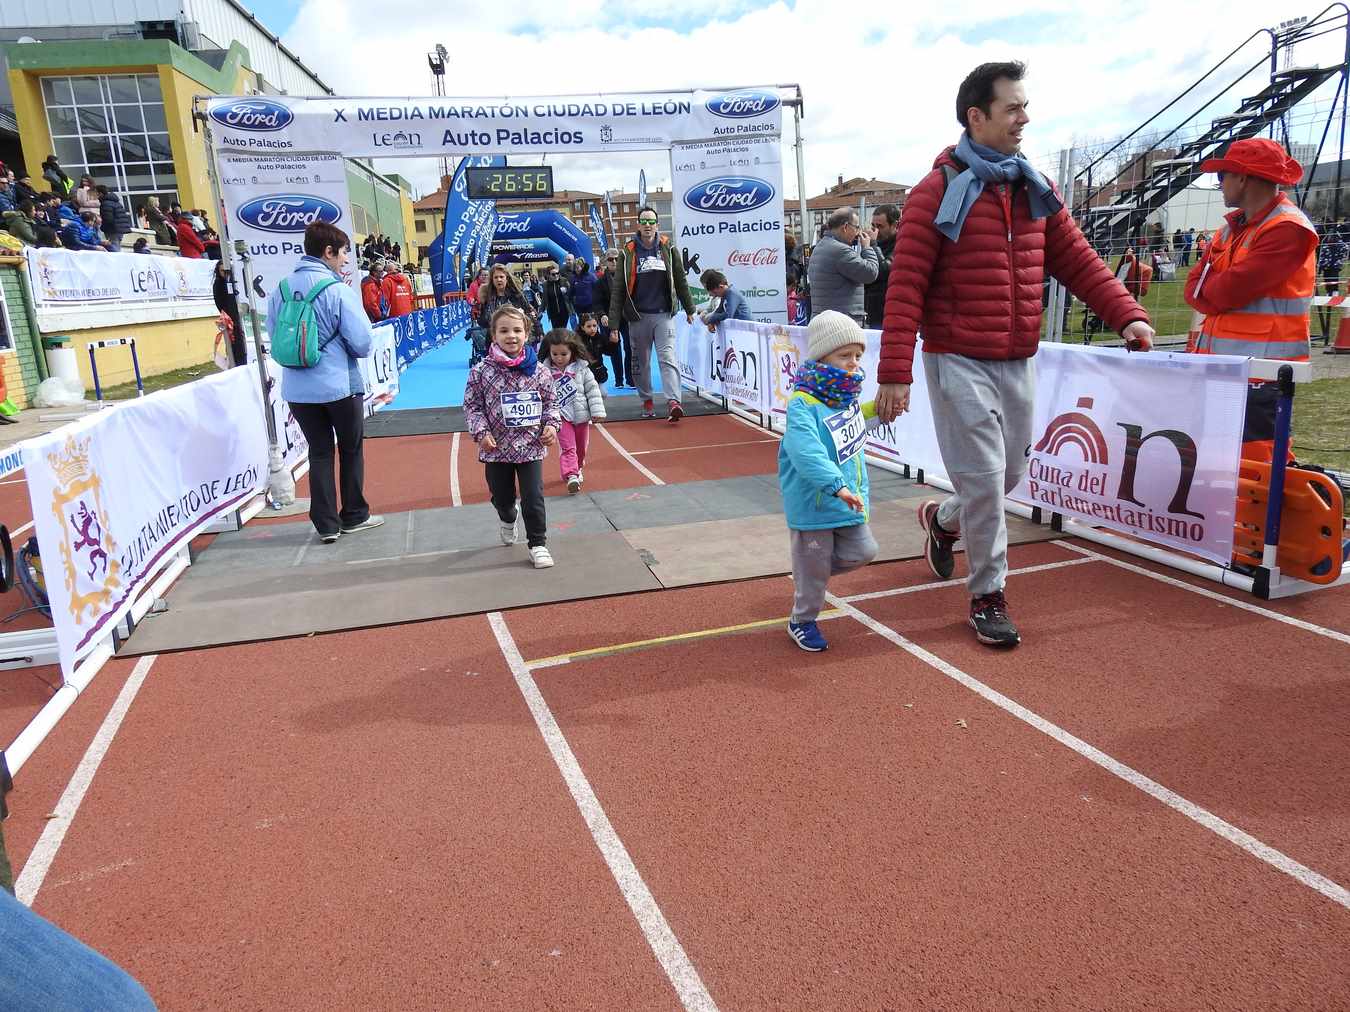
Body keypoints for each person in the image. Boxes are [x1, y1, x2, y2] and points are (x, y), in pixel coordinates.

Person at [877, 59, 1154, 648]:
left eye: (1025, 106)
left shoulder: (1035, 188)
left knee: (1008, 476)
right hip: (956, 356)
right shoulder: (936, 192)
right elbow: (906, 285)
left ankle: (943, 520)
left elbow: (1077, 260)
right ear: (976, 117)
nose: (1024, 118)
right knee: (983, 479)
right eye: (1012, 108)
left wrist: (1127, 314)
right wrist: (895, 372)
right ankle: (988, 595)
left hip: (1017, 357)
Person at [1182, 138, 1316, 461]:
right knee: (1218, 467)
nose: (1219, 185)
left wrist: (1211, 291)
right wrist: (1213, 292)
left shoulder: (1289, 229)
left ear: (1243, 178)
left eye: (1222, 176)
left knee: (1258, 474)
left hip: (1263, 376)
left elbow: (1227, 290)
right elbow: (1192, 288)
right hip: (1224, 371)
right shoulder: (1229, 230)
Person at [266, 221, 383, 544]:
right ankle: (354, 515)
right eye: (344, 252)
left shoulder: (282, 289)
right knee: (350, 449)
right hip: (339, 386)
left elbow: (274, 334)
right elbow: (362, 343)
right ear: (328, 251)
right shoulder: (337, 291)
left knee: (318, 452)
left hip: (299, 390)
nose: (346, 260)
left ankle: (326, 524)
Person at [779, 311, 880, 652]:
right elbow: (806, 452)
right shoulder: (802, 404)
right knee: (815, 567)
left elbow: (852, 424)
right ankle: (802, 620)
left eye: (857, 356)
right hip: (816, 503)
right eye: (844, 356)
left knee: (864, 551)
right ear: (822, 356)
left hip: (847, 498)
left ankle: (810, 574)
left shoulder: (846, 397)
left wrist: (880, 409)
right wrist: (837, 486)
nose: (853, 363)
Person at [462, 304, 560, 569]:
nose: (511, 336)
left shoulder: (540, 371)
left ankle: (538, 544)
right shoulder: (480, 372)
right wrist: (481, 431)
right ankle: (507, 517)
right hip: (496, 449)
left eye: (517, 330)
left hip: (531, 446)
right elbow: (472, 407)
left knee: (533, 496)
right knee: (502, 497)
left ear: (526, 334)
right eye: (504, 330)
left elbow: (552, 403)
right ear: (493, 335)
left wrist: (551, 426)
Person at [608, 205, 696, 422]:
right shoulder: (627, 252)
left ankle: (673, 401)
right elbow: (619, 289)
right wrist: (613, 325)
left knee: (668, 358)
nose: (647, 226)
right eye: (643, 222)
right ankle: (647, 399)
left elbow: (680, 280)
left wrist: (690, 308)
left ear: (657, 225)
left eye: (651, 222)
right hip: (638, 317)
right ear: (638, 225)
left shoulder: (668, 248)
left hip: (663, 315)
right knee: (641, 362)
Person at [543, 327, 606, 493]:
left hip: (581, 416)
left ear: (572, 352)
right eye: (554, 354)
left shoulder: (582, 369)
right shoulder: (544, 372)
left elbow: (592, 390)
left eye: (563, 354)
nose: (558, 358)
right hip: (561, 416)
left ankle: (577, 467)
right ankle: (571, 474)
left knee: (581, 449)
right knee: (568, 447)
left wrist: (597, 411)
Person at [807, 207, 880, 323]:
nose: (857, 233)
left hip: (825, 320)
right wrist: (868, 247)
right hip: (842, 325)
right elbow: (871, 273)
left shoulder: (820, 247)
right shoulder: (841, 251)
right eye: (856, 227)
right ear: (845, 227)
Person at [864, 204, 900, 327]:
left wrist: (872, 245)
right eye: (873, 226)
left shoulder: (901, 244)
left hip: (891, 311)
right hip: (872, 310)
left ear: (895, 225)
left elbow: (884, 270)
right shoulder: (876, 243)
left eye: (880, 226)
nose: (875, 231)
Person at [594, 250, 626, 385]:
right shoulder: (600, 281)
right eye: (611, 259)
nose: (614, 262)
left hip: (627, 317)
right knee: (615, 349)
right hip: (609, 320)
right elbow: (597, 302)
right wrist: (602, 315)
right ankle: (619, 379)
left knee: (630, 348)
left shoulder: (627, 277)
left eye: (617, 259)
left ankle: (631, 379)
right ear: (606, 262)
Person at [476, 265, 531, 330]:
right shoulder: (487, 297)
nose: (499, 279)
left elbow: (528, 313)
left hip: (515, 332)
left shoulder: (517, 295)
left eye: (501, 277)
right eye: (496, 277)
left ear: (506, 278)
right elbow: (482, 320)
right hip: (494, 334)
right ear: (492, 280)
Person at [213, 261, 247, 366]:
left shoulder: (233, 282)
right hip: (229, 319)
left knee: (241, 344)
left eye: (226, 271)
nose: (225, 274)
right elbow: (220, 303)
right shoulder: (218, 284)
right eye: (222, 271)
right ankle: (235, 363)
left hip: (237, 316)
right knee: (233, 345)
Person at [96, 184, 132, 250]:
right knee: (117, 246)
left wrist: (103, 227)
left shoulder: (106, 203)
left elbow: (108, 219)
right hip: (120, 229)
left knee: (114, 247)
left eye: (97, 193)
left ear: (100, 193)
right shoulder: (115, 202)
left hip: (112, 230)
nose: (96, 196)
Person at [542, 264, 574, 331]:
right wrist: (540, 310)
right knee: (556, 330)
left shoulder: (564, 281)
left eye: (557, 273)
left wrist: (567, 291)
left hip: (564, 310)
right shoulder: (545, 285)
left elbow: (571, 293)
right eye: (553, 274)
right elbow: (544, 299)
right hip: (553, 312)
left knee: (563, 329)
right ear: (548, 275)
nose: (556, 275)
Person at [570, 257, 596, 328]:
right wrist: (573, 301)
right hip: (579, 306)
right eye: (575, 268)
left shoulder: (591, 277)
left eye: (578, 268)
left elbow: (597, 289)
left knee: (591, 323)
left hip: (590, 305)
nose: (576, 270)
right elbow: (571, 292)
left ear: (582, 267)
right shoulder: (573, 278)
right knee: (582, 324)